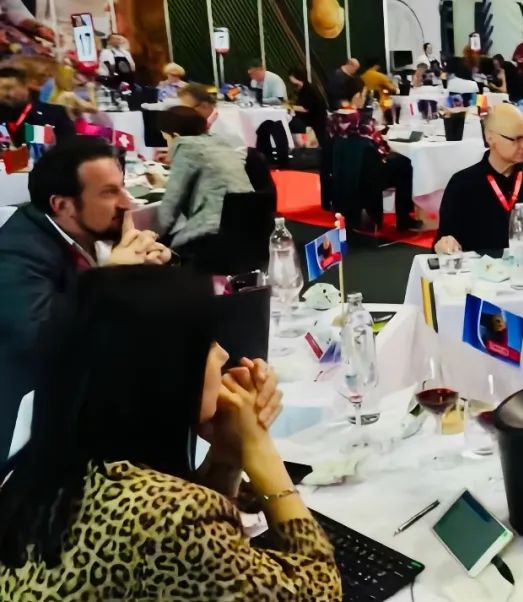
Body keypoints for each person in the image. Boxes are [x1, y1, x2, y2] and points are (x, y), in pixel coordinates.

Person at [0, 266, 341, 599]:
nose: (223, 354)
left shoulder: (41, 477)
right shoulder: (170, 518)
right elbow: (318, 591)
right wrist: (258, 446)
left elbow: (194, 566)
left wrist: (227, 453)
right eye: (206, 344)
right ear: (162, 372)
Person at [0, 136, 171, 455]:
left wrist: (154, 272)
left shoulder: (89, 230)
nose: (128, 203)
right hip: (34, 435)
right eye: (109, 192)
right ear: (62, 205)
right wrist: (111, 277)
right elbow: (40, 340)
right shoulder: (15, 253)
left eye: (123, 187)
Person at [435, 103, 523, 254]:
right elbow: (445, 240)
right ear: (490, 138)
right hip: (482, 266)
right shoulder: (463, 184)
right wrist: (445, 244)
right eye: (516, 139)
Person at [154, 107, 254, 250]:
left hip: (212, 231)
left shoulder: (186, 147)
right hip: (249, 223)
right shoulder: (220, 143)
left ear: (175, 135)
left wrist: (155, 236)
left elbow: (171, 205)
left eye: (167, 140)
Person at [328, 104, 420, 231]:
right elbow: (383, 151)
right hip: (370, 180)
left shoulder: (334, 131)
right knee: (404, 165)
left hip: (344, 180)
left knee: (399, 164)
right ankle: (404, 219)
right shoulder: (365, 130)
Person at [0, 67, 73, 146]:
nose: (8, 94)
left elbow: (69, 146)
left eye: (9, 88)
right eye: (1, 90)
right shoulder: (2, 119)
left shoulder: (54, 113)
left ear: (25, 86)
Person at [177, 83, 246, 149]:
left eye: (187, 109)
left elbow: (237, 152)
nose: (184, 113)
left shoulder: (225, 127)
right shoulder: (204, 122)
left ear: (204, 105)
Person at [287, 67, 328, 149]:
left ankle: (299, 146)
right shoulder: (304, 88)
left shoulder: (308, 89)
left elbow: (305, 108)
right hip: (312, 117)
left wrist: (290, 107)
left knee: (291, 123)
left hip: (315, 119)